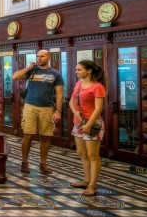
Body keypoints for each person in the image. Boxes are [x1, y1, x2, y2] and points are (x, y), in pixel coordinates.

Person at [12, 50, 64, 174]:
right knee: (28, 135)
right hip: (30, 106)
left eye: (42, 56)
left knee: (45, 137)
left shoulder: (55, 74)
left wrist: (58, 111)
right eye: (38, 56)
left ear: (49, 57)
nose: (39, 58)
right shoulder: (32, 71)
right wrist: (28, 68)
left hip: (47, 108)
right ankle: (24, 162)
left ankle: (43, 164)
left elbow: (59, 94)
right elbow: (15, 77)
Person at [68, 60, 106, 196]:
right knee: (81, 152)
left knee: (93, 155)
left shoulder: (97, 87)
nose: (76, 72)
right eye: (76, 69)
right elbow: (71, 101)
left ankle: (92, 185)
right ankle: (86, 180)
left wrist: (88, 124)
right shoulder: (78, 84)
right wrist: (76, 113)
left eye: (79, 70)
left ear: (89, 71)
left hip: (92, 124)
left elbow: (98, 108)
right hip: (78, 122)